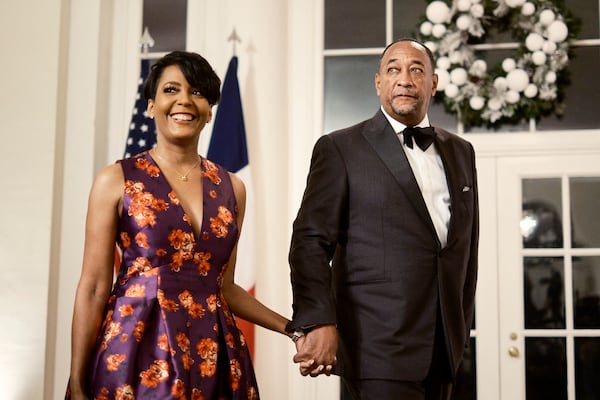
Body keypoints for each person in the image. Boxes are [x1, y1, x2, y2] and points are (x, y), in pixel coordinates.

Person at [66, 51, 291, 400]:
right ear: (151, 105)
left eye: (197, 92)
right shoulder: (115, 179)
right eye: (171, 89)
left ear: (209, 111)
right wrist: (78, 382)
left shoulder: (232, 187)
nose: (184, 100)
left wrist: (291, 329)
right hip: (133, 353)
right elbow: (94, 286)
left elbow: (226, 288)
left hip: (214, 353)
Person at [287, 38, 479, 400]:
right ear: (378, 83)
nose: (404, 79)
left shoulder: (461, 152)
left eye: (416, 70)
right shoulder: (340, 148)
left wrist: (459, 328)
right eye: (393, 69)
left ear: (433, 83)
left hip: (443, 350)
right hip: (375, 350)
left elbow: (466, 251)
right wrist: (319, 319)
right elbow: (309, 242)